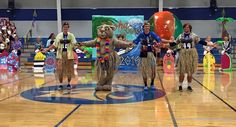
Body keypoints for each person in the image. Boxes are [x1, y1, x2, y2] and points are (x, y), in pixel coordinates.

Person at [169, 23, 216, 92]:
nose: (186, 28)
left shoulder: (194, 36)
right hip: (183, 53)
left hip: (191, 53)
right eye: (185, 27)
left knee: (190, 71)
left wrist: (211, 44)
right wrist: (166, 44)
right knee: (182, 71)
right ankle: (180, 85)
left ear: (190, 28)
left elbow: (202, 42)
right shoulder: (180, 36)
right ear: (183, 28)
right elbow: (174, 44)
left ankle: (189, 85)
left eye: (188, 27)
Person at [44, 22, 77, 91]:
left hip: (69, 55)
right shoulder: (59, 35)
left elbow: (75, 44)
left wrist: (81, 48)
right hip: (60, 55)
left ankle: (68, 83)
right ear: (62, 28)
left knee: (69, 70)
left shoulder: (71, 35)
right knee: (60, 70)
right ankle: (60, 84)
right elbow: (54, 45)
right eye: (64, 27)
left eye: (67, 27)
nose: (65, 28)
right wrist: (47, 49)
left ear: (68, 28)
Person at [133, 22, 162, 90]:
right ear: (143, 27)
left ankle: (152, 83)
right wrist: (130, 43)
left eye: (148, 26)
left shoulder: (152, 34)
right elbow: (136, 41)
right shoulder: (141, 34)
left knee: (153, 69)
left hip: (151, 54)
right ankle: (145, 84)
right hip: (143, 54)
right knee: (144, 70)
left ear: (149, 27)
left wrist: (158, 44)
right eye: (146, 26)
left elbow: (159, 39)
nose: (147, 27)